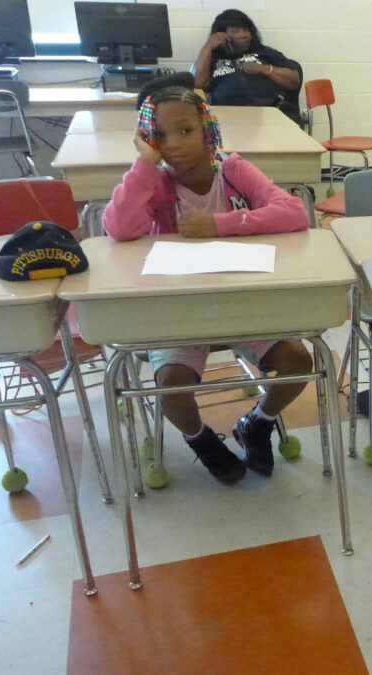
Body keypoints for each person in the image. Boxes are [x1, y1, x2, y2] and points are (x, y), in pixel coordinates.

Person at [103, 84, 311, 485]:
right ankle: (201, 440)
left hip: (240, 303)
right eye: (160, 135)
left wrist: (218, 224)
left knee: (299, 362)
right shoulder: (153, 182)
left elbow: (293, 212)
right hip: (178, 308)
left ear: (206, 130)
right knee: (171, 386)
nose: (175, 144)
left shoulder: (233, 171)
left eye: (185, 131)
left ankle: (257, 423)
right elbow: (118, 228)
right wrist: (145, 165)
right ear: (148, 139)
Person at [192, 9, 303, 126]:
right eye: (235, 31)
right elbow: (197, 82)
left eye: (246, 30)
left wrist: (264, 69)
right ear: (221, 35)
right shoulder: (212, 58)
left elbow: (293, 81)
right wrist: (208, 46)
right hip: (229, 120)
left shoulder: (265, 53)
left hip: (269, 118)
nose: (243, 35)